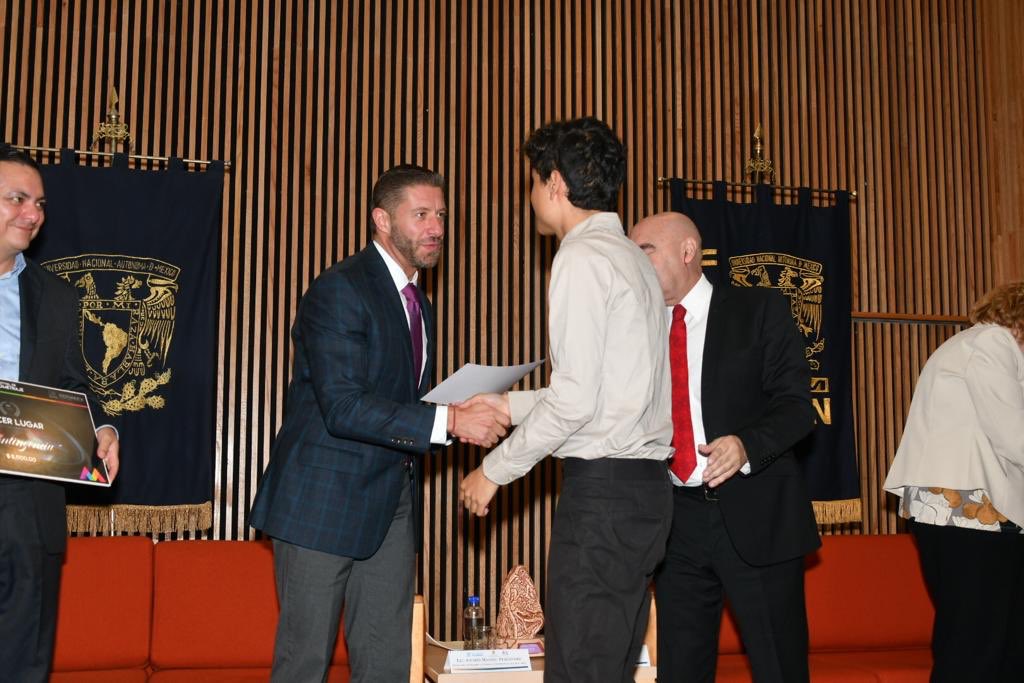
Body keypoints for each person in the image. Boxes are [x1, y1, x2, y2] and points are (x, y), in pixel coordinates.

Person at [249, 164, 509, 683]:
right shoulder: (339, 289)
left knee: (389, 664)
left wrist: (458, 407)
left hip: (392, 504)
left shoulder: (419, 304)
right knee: (304, 665)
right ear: (382, 221)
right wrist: (450, 420)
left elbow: (401, 402)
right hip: (320, 506)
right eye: (421, 215)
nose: (436, 227)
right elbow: (343, 406)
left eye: (440, 215)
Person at [459, 117, 674, 682]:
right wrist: (509, 407)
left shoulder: (578, 258)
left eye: (532, 182)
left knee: (579, 672)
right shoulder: (634, 259)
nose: (530, 197)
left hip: (603, 497)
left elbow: (577, 402)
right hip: (646, 495)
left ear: (555, 183)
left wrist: (494, 471)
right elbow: (608, 389)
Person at [629, 211, 820, 683]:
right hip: (677, 521)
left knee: (779, 667)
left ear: (688, 252)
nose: (633, 263)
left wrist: (745, 445)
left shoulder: (757, 309)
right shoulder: (636, 328)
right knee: (681, 670)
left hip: (755, 514)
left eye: (644, 251)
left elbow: (798, 407)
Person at [0, 143, 121, 682]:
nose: (33, 214)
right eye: (17, 199)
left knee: (24, 660)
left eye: (40, 203)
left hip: (28, 504)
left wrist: (103, 429)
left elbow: (75, 385)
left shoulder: (58, 296)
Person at [884, 281, 1024, 682]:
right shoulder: (994, 343)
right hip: (967, 510)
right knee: (977, 648)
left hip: (961, 510)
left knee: (991, 643)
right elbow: (1014, 436)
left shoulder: (972, 345)